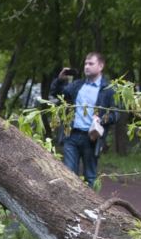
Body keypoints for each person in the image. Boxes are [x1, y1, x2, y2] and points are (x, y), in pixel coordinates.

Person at [50, 52, 117, 186]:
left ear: (101, 66)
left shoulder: (108, 89)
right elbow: (57, 95)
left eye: (91, 63)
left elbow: (115, 114)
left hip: (91, 138)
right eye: (85, 63)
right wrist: (60, 80)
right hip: (71, 136)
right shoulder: (77, 85)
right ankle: (69, 205)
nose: (87, 66)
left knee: (90, 178)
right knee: (68, 174)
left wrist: (101, 119)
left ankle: (90, 206)